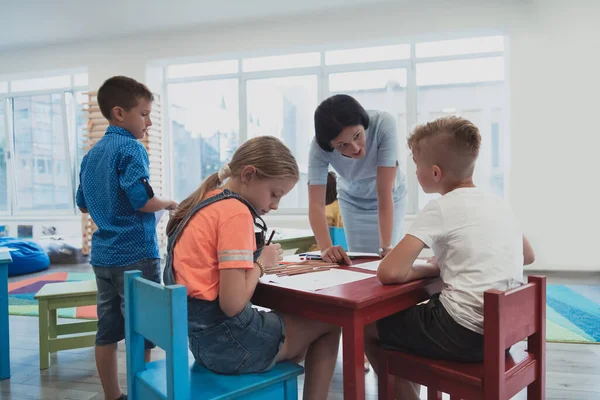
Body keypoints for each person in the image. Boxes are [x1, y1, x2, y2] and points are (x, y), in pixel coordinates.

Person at [363, 116, 536, 399]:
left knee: (369, 326)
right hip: (501, 335)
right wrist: (442, 264)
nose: (414, 172)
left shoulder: (440, 208)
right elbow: (527, 255)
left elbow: (390, 272)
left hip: (461, 332)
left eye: (416, 166)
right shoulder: (497, 202)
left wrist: (430, 268)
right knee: (412, 320)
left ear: (435, 173)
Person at [164, 136, 341, 400]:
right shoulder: (235, 213)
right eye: (274, 194)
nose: (275, 204)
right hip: (230, 346)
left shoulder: (208, 202)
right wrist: (261, 263)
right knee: (329, 323)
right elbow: (232, 304)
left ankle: (273, 374)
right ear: (248, 175)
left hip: (200, 344)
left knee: (292, 325)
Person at [76, 76, 177, 400]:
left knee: (106, 331)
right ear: (119, 113)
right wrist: (169, 202)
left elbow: (82, 203)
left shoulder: (91, 155)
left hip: (102, 257)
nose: (148, 122)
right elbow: (142, 200)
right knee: (144, 330)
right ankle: (139, 393)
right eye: (144, 114)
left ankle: (112, 395)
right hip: (135, 255)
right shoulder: (131, 148)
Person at [308, 94, 408, 265]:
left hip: (390, 196)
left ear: (364, 124)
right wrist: (326, 248)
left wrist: (386, 247)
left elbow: (384, 192)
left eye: (357, 136)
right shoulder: (318, 146)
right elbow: (316, 204)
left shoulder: (383, 124)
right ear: (330, 145)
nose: (355, 149)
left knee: (387, 259)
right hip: (352, 199)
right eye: (342, 145)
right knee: (361, 260)